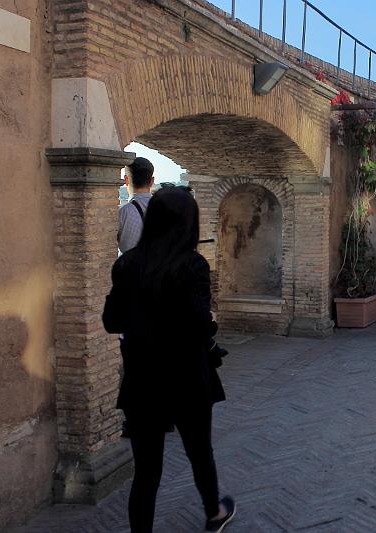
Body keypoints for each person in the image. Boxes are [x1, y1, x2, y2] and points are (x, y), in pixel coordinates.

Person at [102, 187, 236, 533]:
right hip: (187, 377)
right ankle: (214, 513)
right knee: (199, 453)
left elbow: (112, 321)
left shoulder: (126, 264)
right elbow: (200, 323)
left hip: (143, 378)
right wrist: (209, 323)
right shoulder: (192, 265)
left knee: (146, 472)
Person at [118, 157, 155, 254]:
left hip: (130, 262)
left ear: (126, 180)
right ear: (152, 181)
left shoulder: (124, 212)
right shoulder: (166, 208)